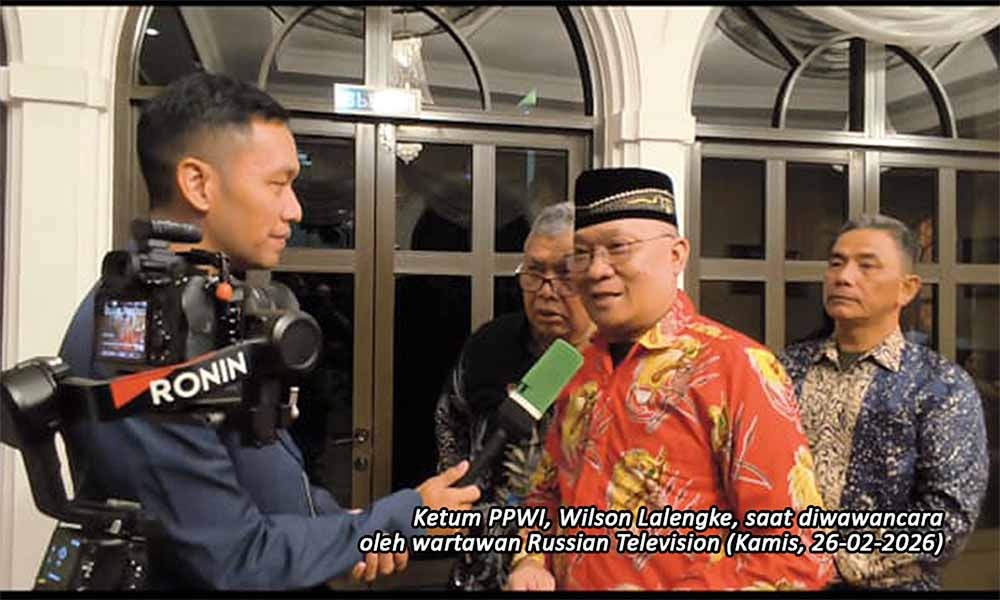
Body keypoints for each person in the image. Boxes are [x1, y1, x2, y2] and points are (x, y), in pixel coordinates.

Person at [58, 72, 480, 590]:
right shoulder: (141, 331)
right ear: (198, 184)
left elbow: (259, 487)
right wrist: (396, 519)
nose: (295, 210)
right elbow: (232, 557)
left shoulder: (198, 309)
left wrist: (347, 532)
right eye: (277, 184)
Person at [508, 168, 833, 591]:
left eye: (618, 248)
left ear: (677, 255)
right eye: (582, 254)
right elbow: (546, 496)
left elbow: (797, 558)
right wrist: (530, 562)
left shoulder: (736, 367)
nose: (596, 270)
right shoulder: (576, 367)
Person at [778, 215, 988, 590]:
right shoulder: (784, 370)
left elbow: (949, 520)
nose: (844, 277)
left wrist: (831, 557)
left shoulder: (940, 386)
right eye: (836, 263)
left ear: (907, 289)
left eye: (866, 266)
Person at [435, 202, 594, 590]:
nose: (546, 292)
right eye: (534, 273)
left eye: (565, 275)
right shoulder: (490, 344)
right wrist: (458, 483)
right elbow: (450, 416)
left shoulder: (622, 362)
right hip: (483, 567)